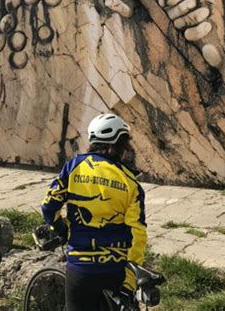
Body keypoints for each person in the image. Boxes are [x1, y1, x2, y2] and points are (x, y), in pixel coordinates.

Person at [41, 113, 147, 311]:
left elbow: (48, 206)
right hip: (116, 270)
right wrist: (129, 284)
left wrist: (60, 227)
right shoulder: (131, 183)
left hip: (81, 268)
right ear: (120, 145)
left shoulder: (73, 167)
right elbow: (138, 235)